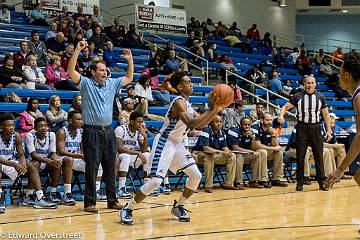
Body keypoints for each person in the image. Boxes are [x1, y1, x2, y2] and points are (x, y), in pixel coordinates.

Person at [119, 71, 227, 225]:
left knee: (196, 175)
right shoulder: (178, 102)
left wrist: (215, 110)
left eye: (191, 81)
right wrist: (211, 110)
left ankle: (179, 206)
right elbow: (191, 124)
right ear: (180, 86)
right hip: (165, 142)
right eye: (188, 81)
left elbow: (201, 124)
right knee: (156, 181)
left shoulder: (188, 104)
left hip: (178, 144)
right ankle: (127, 208)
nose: (191, 83)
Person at [67, 40, 134, 213]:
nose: (105, 72)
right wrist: (77, 50)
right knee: (92, 166)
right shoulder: (85, 83)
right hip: (91, 131)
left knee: (111, 166)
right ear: (93, 72)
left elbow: (129, 78)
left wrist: (130, 59)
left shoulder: (112, 83)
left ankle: (112, 200)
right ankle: (90, 202)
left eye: (105, 70)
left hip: (108, 131)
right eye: (101, 70)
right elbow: (70, 71)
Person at [279, 75, 332, 191]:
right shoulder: (298, 96)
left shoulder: (321, 97)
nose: (310, 85)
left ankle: (321, 181)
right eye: (308, 83)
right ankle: (300, 182)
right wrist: (281, 115)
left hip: (316, 128)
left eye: (312, 83)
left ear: (315, 84)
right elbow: (284, 107)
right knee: (301, 156)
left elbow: (326, 115)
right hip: (302, 127)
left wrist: (328, 130)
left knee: (318, 155)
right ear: (304, 84)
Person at [326, 52, 360, 188]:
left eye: (340, 72)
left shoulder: (358, 97)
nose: (338, 77)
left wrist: (340, 169)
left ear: (347, 75)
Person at [25, 117, 66, 206]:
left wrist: (56, 160)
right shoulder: (30, 135)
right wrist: (49, 161)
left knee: (57, 164)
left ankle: (53, 193)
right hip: (31, 163)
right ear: (35, 128)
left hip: (46, 162)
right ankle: (32, 195)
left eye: (45, 126)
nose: (43, 128)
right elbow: (33, 155)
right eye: (40, 126)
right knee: (36, 163)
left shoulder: (51, 135)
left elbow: (53, 153)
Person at [192, 115, 238, 193]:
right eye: (216, 122)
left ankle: (228, 183)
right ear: (211, 123)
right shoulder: (205, 130)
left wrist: (228, 152)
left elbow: (224, 147)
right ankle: (208, 185)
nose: (219, 124)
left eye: (220, 122)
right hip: (199, 154)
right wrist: (222, 152)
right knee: (209, 155)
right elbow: (206, 148)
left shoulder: (222, 132)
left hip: (215, 154)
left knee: (232, 156)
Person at [114, 111, 150, 198]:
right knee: (126, 156)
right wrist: (137, 153)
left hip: (131, 157)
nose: (141, 124)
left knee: (147, 155)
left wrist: (145, 137)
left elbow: (144, 149)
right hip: (118, 156)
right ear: (132, 121)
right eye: (139, 122)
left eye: (142, 122)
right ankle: (121, 189)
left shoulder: (139, 132)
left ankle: (147, 187)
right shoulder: (120, 129)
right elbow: (120, 148)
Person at [227, 116, 265, 189]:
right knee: (239, 156)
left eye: (248, 125)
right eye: (245, 124)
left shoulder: (251, 132)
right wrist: (250, 151)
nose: (247, 126)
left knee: (258, 155)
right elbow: (235, 148)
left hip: (245, 154)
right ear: (240, 124)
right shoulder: (234, 131)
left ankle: (253, 181)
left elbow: (254, 148)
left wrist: (252, 137)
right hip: (234, 154)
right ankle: (238, 182)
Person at [0, 113, 27, 213]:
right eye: (8, 125)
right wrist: (15, 165)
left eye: (13, 125)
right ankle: (0, 198)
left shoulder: (16, 136)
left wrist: (23, 164)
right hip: (3, 163)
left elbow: (21, 155)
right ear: (2, 126)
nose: (11, 127)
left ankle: (33, 195)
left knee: (31, 166)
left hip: (11, 162)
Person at [56, 111, 84, 205]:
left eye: (81, 119)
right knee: (69, 159)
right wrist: (79, 156)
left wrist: (85, 156)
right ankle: (67, 193)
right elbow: (61, 151)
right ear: (70, 121)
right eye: (78, 119)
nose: (81, 122)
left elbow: (82, 149)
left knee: (94, 162)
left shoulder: (81, 132)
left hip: (76, 159)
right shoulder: (62, 131)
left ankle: (94, 190)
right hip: (62, 159)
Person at [252, 113, 288, 187]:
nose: (269, 122)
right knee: (263, 152)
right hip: (253, 151)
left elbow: (274, 144)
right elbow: (257, 145)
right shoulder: (255, 128)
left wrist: (273, 135)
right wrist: (273, 148)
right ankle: (263, 179)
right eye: (267, 120)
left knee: (279, 152)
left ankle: (277, 178)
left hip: (264, 151)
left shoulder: (270, 129)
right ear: (261, 120)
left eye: (271, 120)